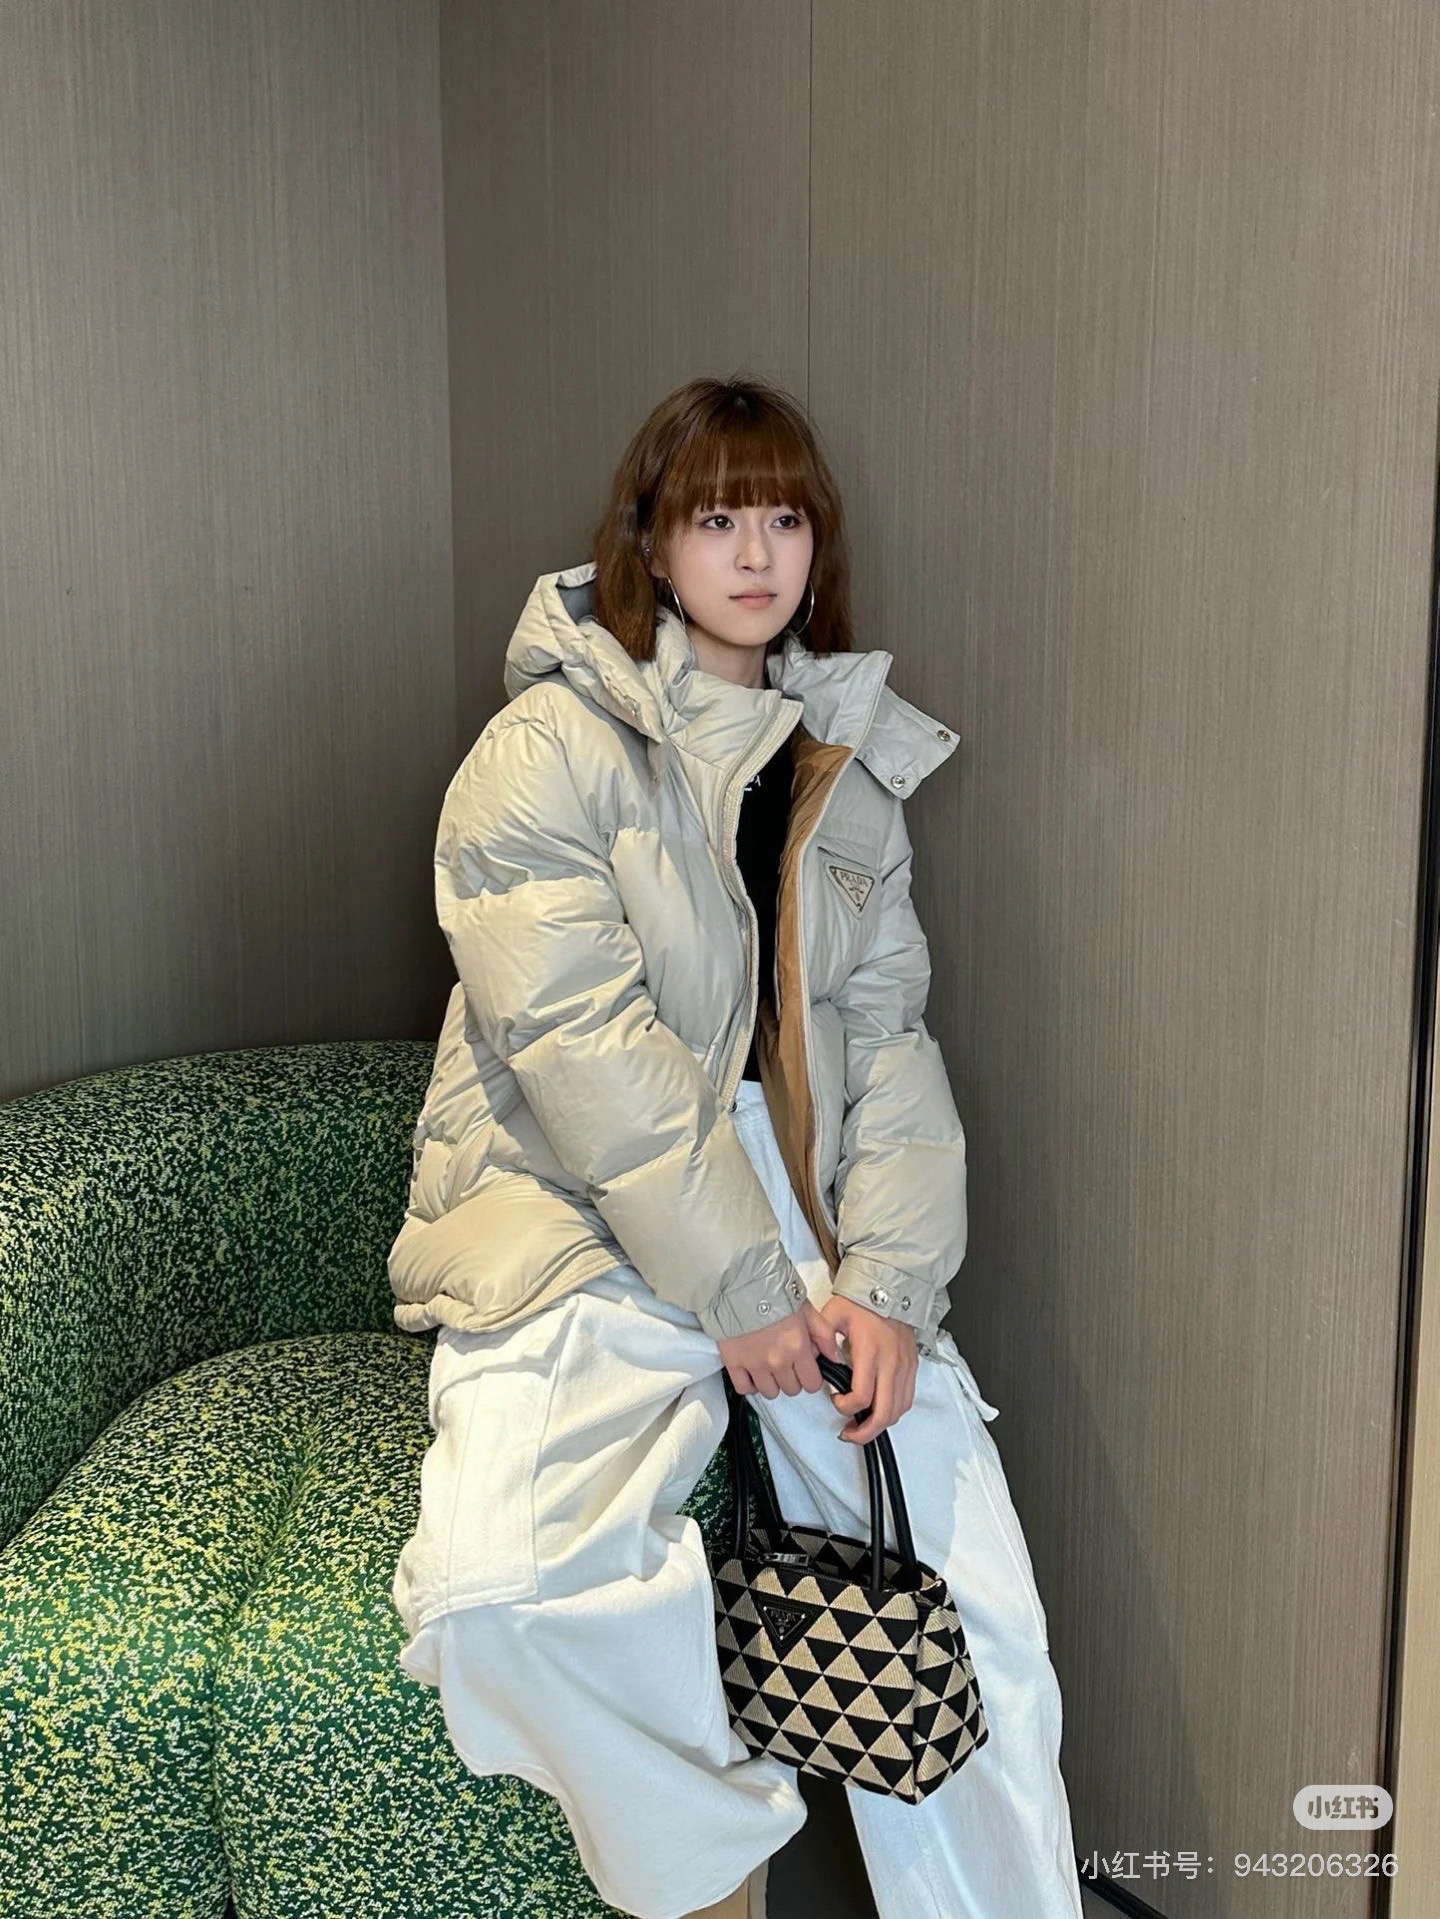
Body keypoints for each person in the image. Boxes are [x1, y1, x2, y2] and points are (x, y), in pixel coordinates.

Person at [389, 374, 1085, 1919]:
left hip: (809, 1210)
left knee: (976, 1619)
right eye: (718, 519)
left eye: (784, 519)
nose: (757, 554)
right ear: (652, 540)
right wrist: (741, 1288)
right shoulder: (542, 752)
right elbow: (581, 1045)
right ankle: (723, 1859)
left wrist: (888, 1283)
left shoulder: (847, 772)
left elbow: (889, 1041)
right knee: (500, 1597)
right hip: (578, 1207)